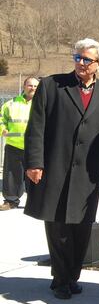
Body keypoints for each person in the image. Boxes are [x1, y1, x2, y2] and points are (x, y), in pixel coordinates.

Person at [24, 38, 99, 299]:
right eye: (77, 58)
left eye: (86, 59)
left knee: (82, 226)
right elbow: (36, 127)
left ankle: (72, 275)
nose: (80, 63)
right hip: (54, 167)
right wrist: (34, 162)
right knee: (57, 225)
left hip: (87, 174)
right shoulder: (51, 86)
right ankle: (60, 279)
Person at [0, 76, 38, 211]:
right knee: (12, 175)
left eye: (35, 86)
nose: (32, 88)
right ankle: (10, 201)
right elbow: (1, 119)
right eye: (30, 85)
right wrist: (2, 129)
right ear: (24, 87)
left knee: (35, 175)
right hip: (14, 146)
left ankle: (36, 203)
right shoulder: (11, 104)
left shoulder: (41, 104)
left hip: (35, 147)